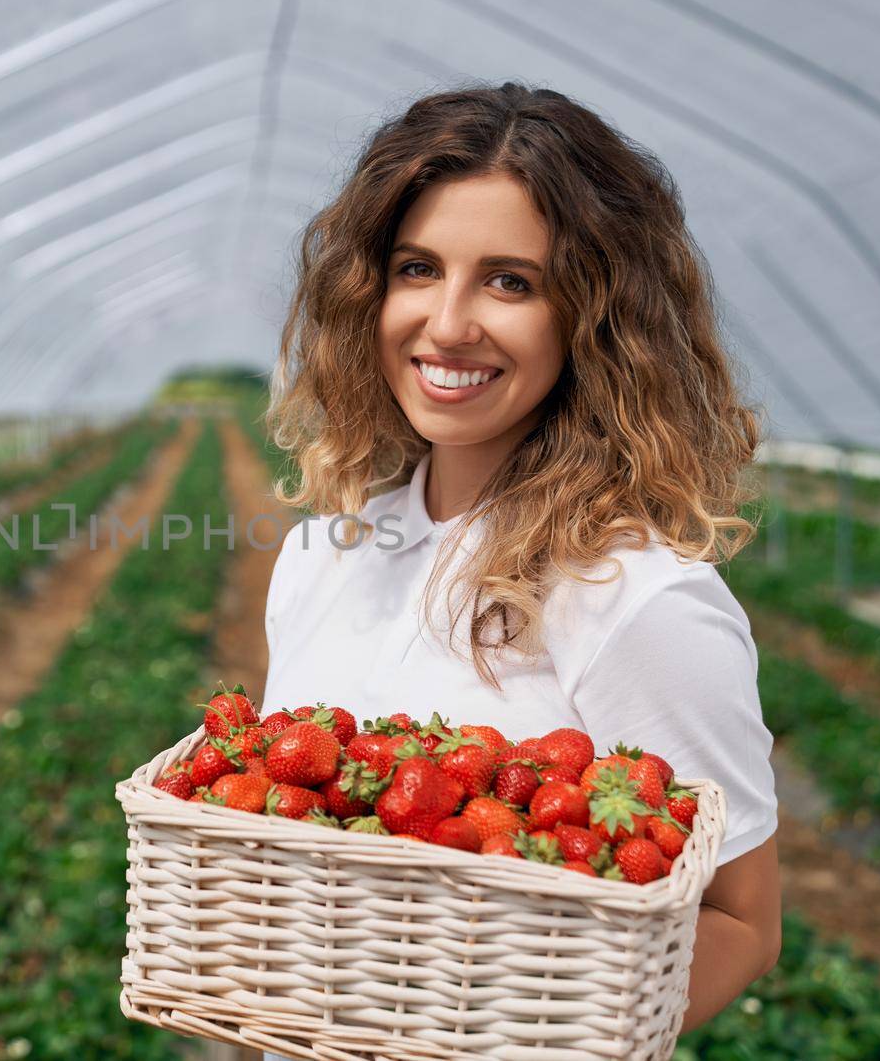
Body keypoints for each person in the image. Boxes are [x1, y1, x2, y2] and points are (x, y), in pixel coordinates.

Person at [255, 82, 780, 1059]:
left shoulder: (636, 601)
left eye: (510, 281)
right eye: (417, 268)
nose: (447, 323)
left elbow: (743, 922)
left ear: (593, 317)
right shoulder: (318, 559)